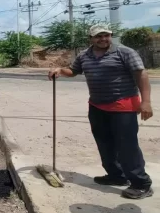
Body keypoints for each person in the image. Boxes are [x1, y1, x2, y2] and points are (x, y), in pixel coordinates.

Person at [48, 24, 153, 199]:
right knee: (104, 143)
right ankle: (116, 175)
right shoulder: (85, 55)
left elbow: (141, 74)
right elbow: (73, 71)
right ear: (91, 38)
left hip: (123, 105)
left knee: (127, 146)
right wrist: (59, 70)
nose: (103, 39)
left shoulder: (125, 52)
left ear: (110, 36)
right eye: (98, 36)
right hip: (97, 105)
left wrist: (146, 102)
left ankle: (141, 183)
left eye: (106, 35)